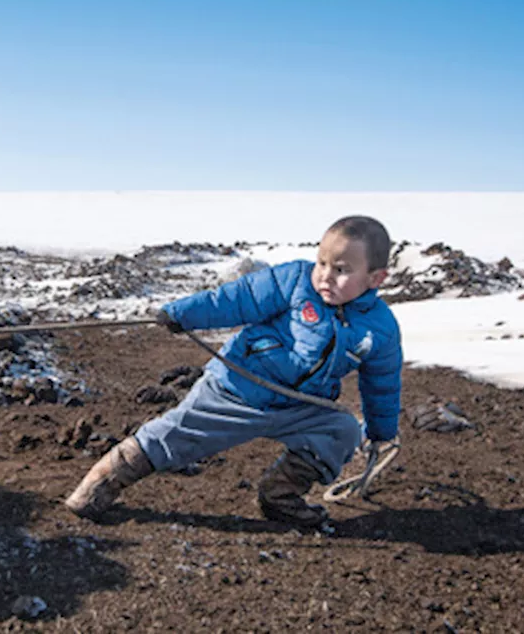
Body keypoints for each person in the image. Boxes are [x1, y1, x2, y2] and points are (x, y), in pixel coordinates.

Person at [64, 215, 403, 530]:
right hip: (236, 390)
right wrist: (182, 314)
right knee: (176, 436)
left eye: (341, 269)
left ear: (376, 278)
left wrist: (381, 430)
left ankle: (280, 497)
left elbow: (382, 384)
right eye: (322, 263)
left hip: (299, 405)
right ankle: (102, 481)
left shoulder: (380, 328)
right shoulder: (294, 280)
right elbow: (234, 299)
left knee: (340, 429)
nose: (325, 276)